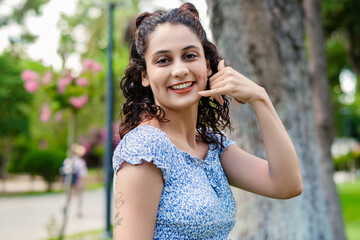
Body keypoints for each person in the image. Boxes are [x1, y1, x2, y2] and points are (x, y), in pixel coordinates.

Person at [112, 3, 303, 239]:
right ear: (145, 76)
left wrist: (260, 98)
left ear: (207, 65)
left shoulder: (211, 145)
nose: (180, 70)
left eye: (189, 56)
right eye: (163, 61)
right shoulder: (144, 149)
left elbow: (287, 184)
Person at [61, 143, 88, 217]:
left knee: (69, 196)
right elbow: (83, 174)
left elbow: (62, 171)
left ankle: (66, 206)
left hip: (68, 182)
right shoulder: (80, 162)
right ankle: (79, 211)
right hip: (78, 182)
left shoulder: (67, 161)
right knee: (79, 197)